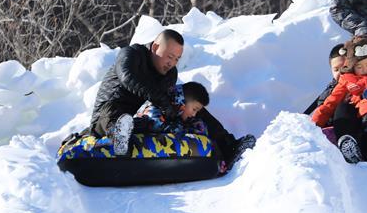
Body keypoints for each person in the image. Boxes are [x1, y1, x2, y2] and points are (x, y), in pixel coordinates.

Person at [89, 29, 255, 167]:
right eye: (169, 56)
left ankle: (229, 147)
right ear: (155, 47)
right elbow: (127, 77)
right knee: (116, 112)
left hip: (141, 119)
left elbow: (170, 102)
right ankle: (120, 137)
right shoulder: (132, 54)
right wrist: (160, 99)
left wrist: (180, 113)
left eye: (177, 59)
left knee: (192, 104)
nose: (172, 63)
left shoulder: (170, 74)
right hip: (108, 116)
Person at [134, 81, 210, 136]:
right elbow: (158, 127)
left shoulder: (179, 113)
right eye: (194, 109)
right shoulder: (157, 104)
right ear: (182, 101)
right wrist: (188, 131)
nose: (194, 114)